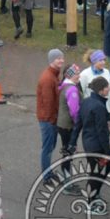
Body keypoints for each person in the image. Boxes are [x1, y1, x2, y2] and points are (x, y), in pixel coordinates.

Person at [70, 76, 110, 208]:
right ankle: (91, 201)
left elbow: (78, 124)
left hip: (88, 143)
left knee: (96, 172)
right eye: (107, 87)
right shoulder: (99, 106)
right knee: (99, 172)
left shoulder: (87, 102)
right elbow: (102, 131)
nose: (109, 89)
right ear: (101, 90)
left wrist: (73, 142)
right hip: (97, 146)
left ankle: (94, 195)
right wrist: (107, 152)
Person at [36, 49, 64, 183]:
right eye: (58, 58)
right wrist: (53, 120)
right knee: (47, 148)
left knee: (50, 147)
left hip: (50, 119)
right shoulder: (48, 78)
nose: (61, 60)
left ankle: (48, 171)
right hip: (48, 120)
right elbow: (48, 103)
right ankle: (46, 176)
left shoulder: (53, 75)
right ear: (52, 60)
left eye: (62, 58)